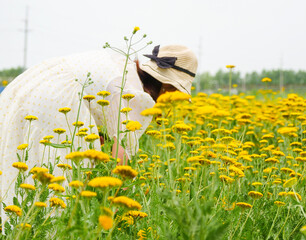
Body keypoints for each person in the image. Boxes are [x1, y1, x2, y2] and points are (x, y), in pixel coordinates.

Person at [0, 44, 198, 222]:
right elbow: (120, 161)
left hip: (31, 87)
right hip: (55, 106)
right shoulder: (133, 93)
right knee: (58, 189)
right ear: (167, 87)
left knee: (23, 172)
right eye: (175, 94)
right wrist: (123, 207)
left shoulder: (123, 66)